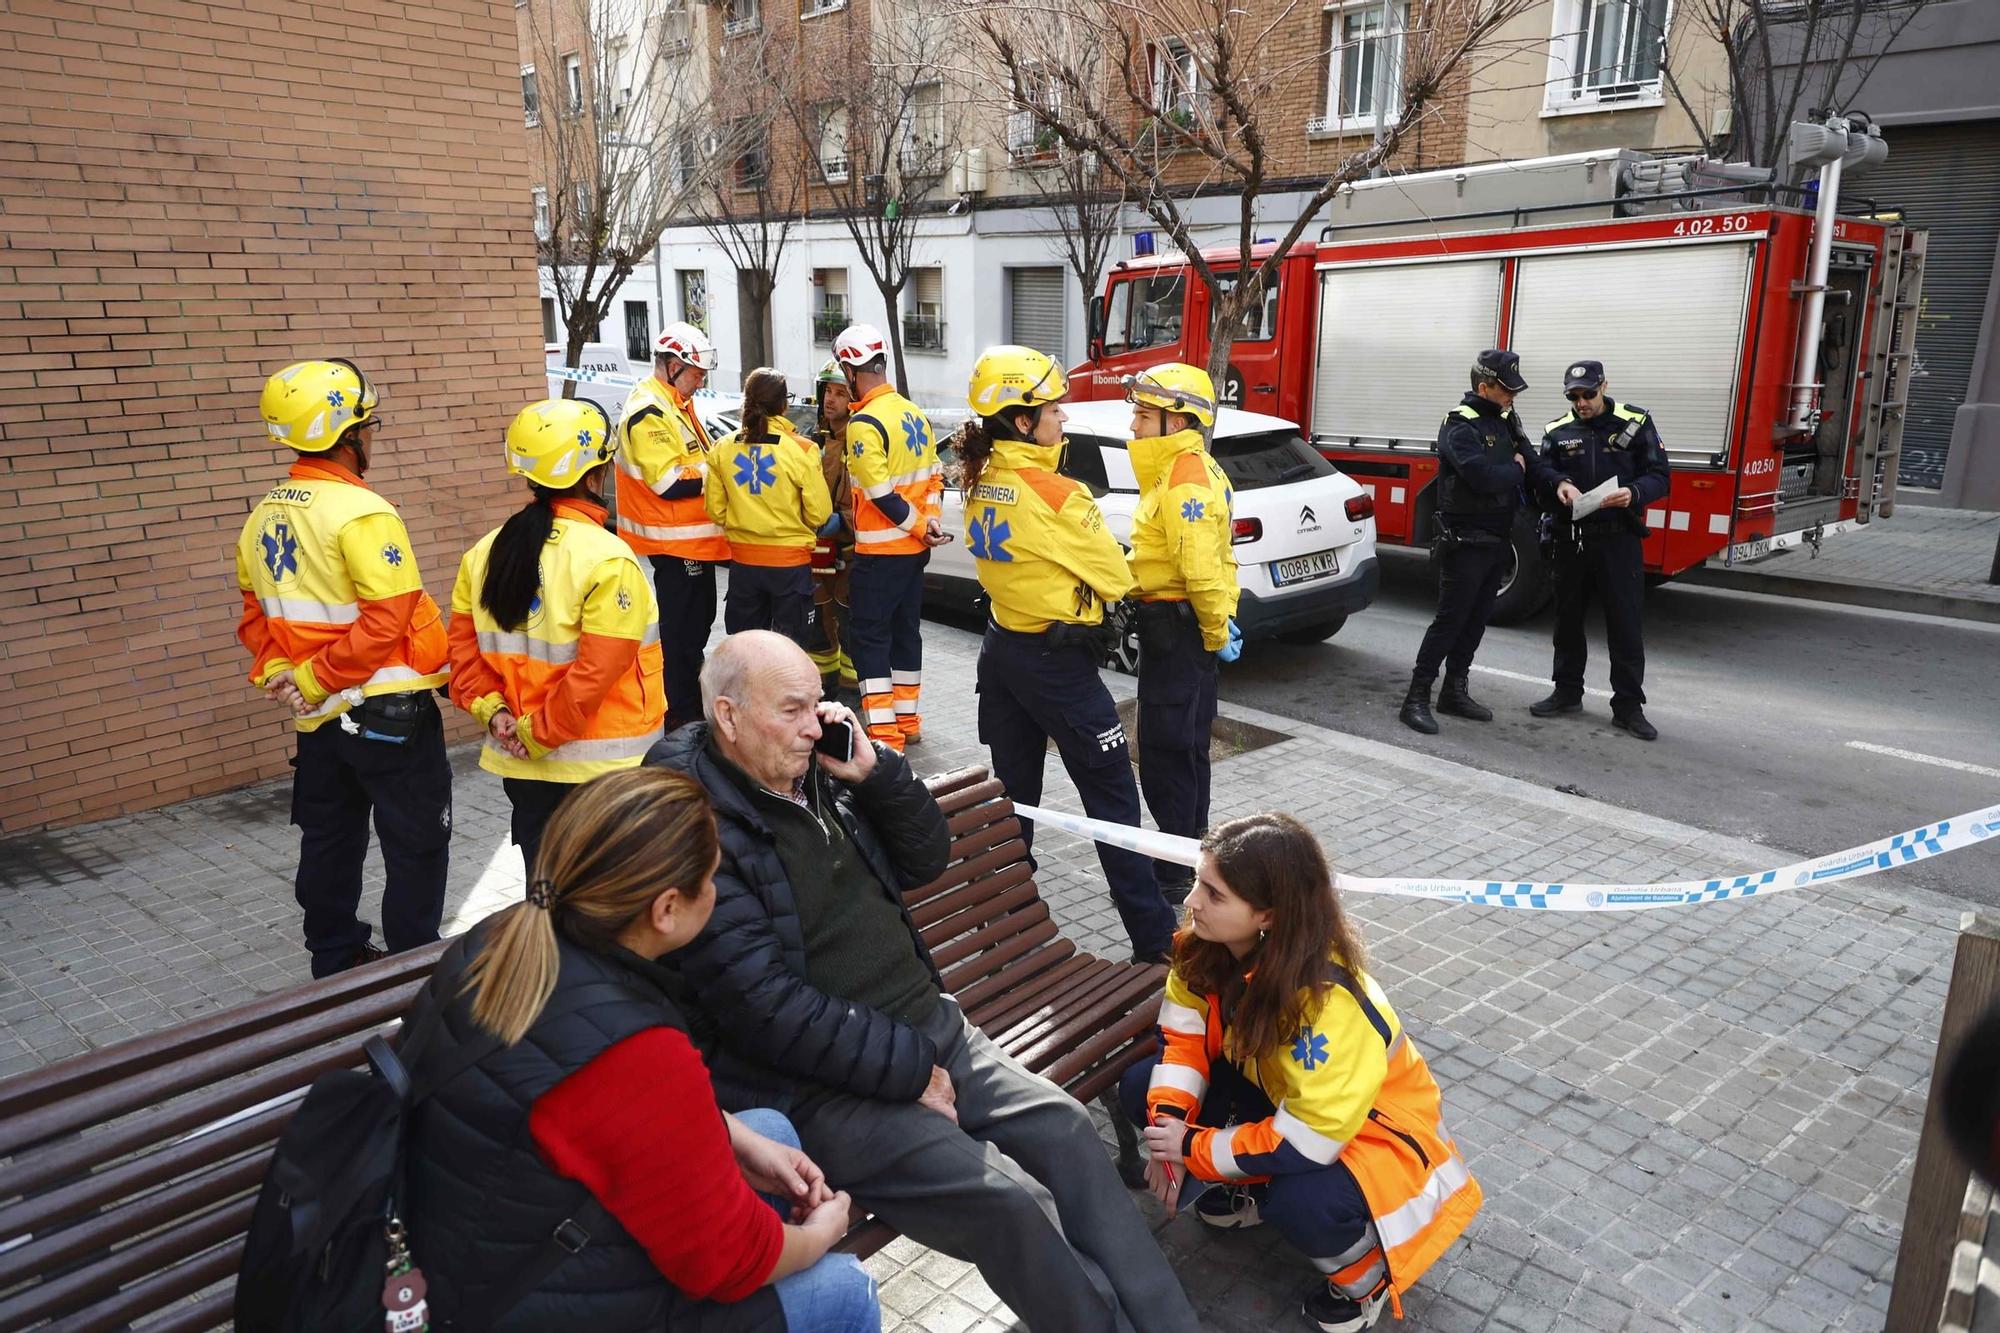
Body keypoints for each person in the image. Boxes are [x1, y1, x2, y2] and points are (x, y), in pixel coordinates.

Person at [645, 631, 1202, 1333]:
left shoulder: (818, 766)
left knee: (1066, 1131)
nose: (815, 723)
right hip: (826, 1087)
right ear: (727, 716)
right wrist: (912, 1071)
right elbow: (766, 1010)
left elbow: (927, 855)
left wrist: (876, 773)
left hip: (931, 1027)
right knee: (1010, 1200)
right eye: (791, 709)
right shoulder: (695, 827)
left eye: (819, 703)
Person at [400, 766, 879, 1331]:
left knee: (768, 1129)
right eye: (712, 878)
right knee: (842, 1288)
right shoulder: (635, 1049)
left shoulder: (507, 937)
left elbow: (583, 1103)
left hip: (468, 1245)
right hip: (521, 1301)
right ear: (667, 909)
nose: (719, 890)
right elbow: (727, 1264)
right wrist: (821, 1234)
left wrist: (734, 1136)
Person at [1119, 813, 1482, 1333]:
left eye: (1214, 894)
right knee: (1142, 1088)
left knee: (1303, 1201)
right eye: (1198, 880)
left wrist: (1191, 1147)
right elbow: (1182, 1042)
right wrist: (1166, 1130)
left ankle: (1364, 1281)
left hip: (1376, 1137)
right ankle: (1249, 1192)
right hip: (1296, 1108)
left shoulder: (1324, 1003)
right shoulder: (1204, 948)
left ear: (1266, 914)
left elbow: (1310, 1142)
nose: (1191, 901)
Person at [957, 346, 1179, 965]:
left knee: (1012, 804)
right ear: (1023, 422)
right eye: (1054, 410)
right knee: (1113, 800)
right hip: (1058, 667)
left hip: (1002, 654)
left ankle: (1006, 933)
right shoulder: (1060, 495)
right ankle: (1156, 942)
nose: (1064, 419)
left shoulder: (982, 479)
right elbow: (1115, 575)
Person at [235, 359, 451, 978]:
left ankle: (335, 958)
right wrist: (313, 679)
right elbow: (388, 620)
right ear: (347, 434)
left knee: (329, 839)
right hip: (389, 716)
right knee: (416, 845)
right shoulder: (362, 513)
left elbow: (258, 617)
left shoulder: (263, 517)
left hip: (319, 722)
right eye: (368, 425)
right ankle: (414, 970)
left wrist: (287, 672)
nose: (372, 436)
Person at [447, 397, 666, 874]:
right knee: (608, 898)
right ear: (594, 476)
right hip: (603, 773)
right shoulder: (608, 558)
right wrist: (538, 733)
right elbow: (596, 672)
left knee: (544, 886)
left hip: (523, 765)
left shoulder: (484, 552)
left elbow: (462, 658)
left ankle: (542, 952)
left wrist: (496, 713)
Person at [1122, 362, 1242, 906]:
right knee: (1188, 744)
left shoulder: (1184, 477)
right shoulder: (1189, 469)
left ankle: (1175, 870)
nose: (1134, 428)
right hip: (1181, 624)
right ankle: (1193, 852)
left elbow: (1198, 568)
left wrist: (1215, 629)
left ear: (1176, 422)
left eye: (1144, 417)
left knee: (1169, 748)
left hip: (1175, 625)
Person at [1526, 360, 1672, 741]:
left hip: (1619, 538)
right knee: (1568, 619)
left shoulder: (1635, 421)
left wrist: (1635, 493)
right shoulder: (1557, 431)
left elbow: (1660, 476)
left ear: (1604, 386)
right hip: (1571, 537)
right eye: (1574, 397)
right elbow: (1540, 482)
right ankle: (1566, 691)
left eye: (1588, 394)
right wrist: (1557, 485)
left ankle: (1627, 706)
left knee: (1624, 623)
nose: (1582, 403)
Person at [1400, 350, 1537, 736]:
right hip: (1465, 543)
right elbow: (1481, 476)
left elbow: (1530, 461)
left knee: (1476, 622)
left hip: (1497, 540)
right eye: (1507, 390)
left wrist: (1556, 483)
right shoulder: (1460, 425)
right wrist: (1514, 470)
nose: (1513, 397)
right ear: (1484, 387)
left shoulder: (1507, 420)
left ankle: (1454, 691)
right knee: (1450, 622)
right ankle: (1416, 697)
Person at [833, 324, 947, 751]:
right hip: (914, 553)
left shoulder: (863, 423)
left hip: (881, 554)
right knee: (905, 635)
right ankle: (909, 720)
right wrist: (929, 523)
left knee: (870, 639)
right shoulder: (912, 412)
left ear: (850, 369)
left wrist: (917, 525)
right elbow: (934, 477)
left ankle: (884, 734)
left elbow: (879, 493)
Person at [618, 322, 729, 732]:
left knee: (694, 627)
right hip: (674, 544)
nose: (700, 383)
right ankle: (680, 714)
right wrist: (723, 469)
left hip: (692, 545)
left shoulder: (673, 403)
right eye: (696, 374)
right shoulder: (649, 411)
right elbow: (668, 482)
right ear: (670, 366)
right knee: (682, 634)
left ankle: (684, 705)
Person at [706, 368, 833, 646]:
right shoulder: (801, 449)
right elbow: (819, 513)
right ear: (784, 405)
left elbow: (715, 510)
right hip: (789, 567)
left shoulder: (722, 447)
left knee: (746, 650)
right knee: (790, 651)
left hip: (744, 566)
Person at [803, 359, 858, 702]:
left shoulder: (858, 440)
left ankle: (853, 696)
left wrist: (840, 519)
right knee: (819, 628)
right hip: (819, 549)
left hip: (851, 551)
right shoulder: (816, 441)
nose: (831, 400)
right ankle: (825, 692)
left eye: (840, 393)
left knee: (851, 627)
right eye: (827, 392)